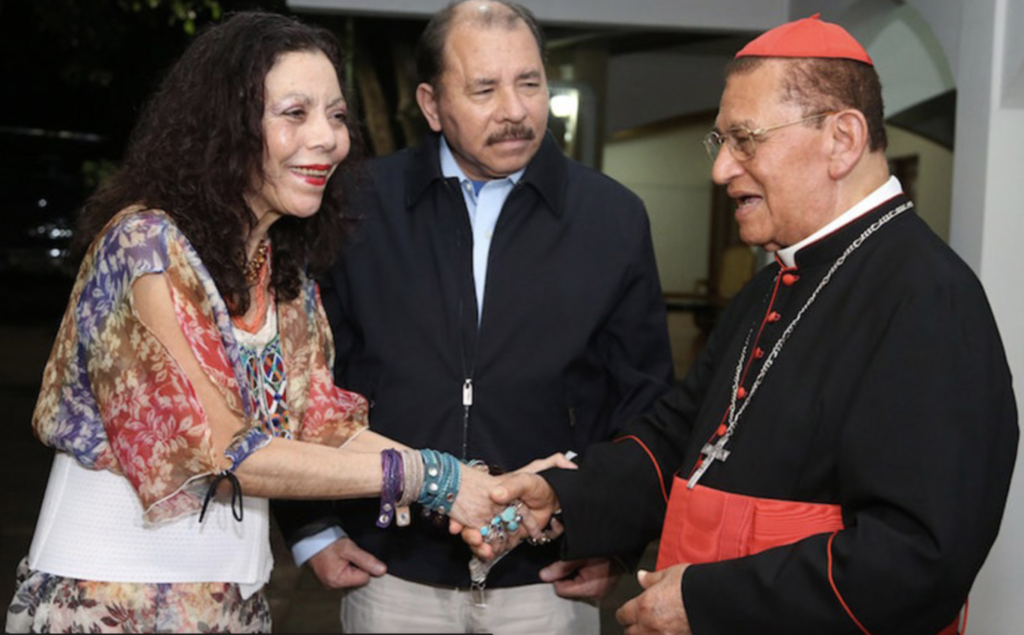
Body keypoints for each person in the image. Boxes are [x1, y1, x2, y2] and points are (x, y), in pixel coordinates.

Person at [475, 14, 1019, 635]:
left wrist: (710, 601)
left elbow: (918, 559)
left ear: (841, 139)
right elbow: (677, 441)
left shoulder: (930, 300)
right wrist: (564, 497)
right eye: (721, 143)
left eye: (745, 139)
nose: (721, 170)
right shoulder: (770, 286)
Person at [4, 11, 526, 633]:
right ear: (225, 128)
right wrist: (430, 478)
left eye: (336, 116)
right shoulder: (146, 245)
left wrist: (468, 484)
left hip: (231, 600)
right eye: (294, 113)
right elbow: (224, 450)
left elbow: (325, 427)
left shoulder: (281, 272)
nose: (329, 138)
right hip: (111, 601)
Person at [271, 0, 675, 632]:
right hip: (390, 573)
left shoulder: (613, 218)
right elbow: (307, 379)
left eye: (530, 83)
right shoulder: (354, 207)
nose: (513, 110)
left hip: (547, 582)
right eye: (484, 89)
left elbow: (645, 400)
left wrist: (615, 538)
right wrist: (310, 529)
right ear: (431, 105)